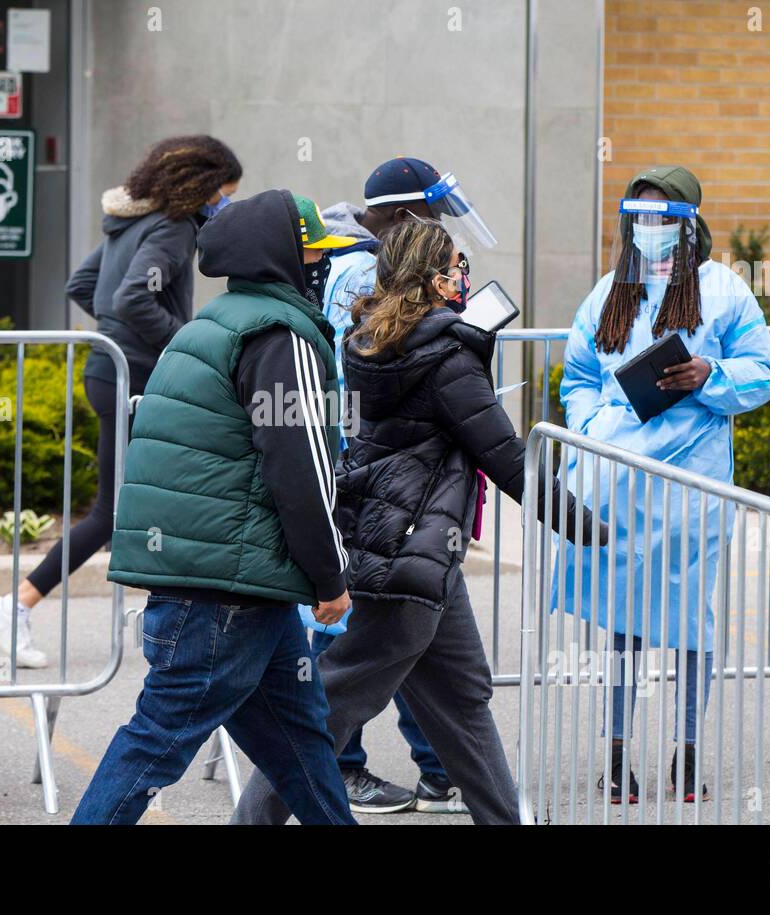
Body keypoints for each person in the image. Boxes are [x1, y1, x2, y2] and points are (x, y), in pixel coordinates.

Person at [230, 218, 605, 826]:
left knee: (462, 699)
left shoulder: (371, 340)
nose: (466, 275)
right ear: (436, 279)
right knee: (327, 707)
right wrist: (588, 527)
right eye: (458, 266)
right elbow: (504, 455)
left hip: (417, 546)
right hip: (409, 550)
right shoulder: (448, 357)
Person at [68, 190, 360, 825]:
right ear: (288, 259)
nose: (326, 267)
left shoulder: (211, 324)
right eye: (319, 254)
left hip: (227, 579)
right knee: (157, 741)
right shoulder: (282, 336)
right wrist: (330, 577)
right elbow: (300, 468)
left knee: (300, 740)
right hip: (230, 586)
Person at [558, 165, 770, 804]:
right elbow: (577, 379)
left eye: (662, 215)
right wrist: (595, 424)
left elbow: (766, 374)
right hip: (617, 479)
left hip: (690, 480)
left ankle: (687, 755)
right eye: (638, 215)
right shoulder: (608, 292)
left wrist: (709, 374)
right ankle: (617, 755)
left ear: (689, 222)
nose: (649, 227)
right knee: (622, 623)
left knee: (689, 620)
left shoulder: (725, 291)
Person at [0, 136, 242, 668]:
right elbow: (130, 297)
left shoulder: (132, 223)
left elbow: (84, 285)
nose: (225, 206)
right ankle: (17, 606)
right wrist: (183, 341)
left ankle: (168, 618)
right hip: (135, 381)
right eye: (224, 194)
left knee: (147, 503)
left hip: (113, 374)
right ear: (202, 187)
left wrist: (120, 334)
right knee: (118, 511)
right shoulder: (173, 228)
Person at [301, 156, 491, 814]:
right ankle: (334, 765)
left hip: (400, 479)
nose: (441, 229)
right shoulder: (367, 272)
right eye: (430, 214)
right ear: (403, 214)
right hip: (389, 476)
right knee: (363, 632)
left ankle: (442, 767)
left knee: (424, 638)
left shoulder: (374, 271)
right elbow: (375, 364)